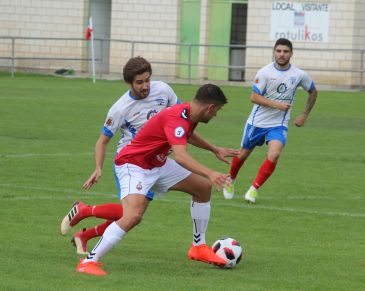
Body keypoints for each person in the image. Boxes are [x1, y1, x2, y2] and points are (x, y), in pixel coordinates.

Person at [75, 84, 239, 276]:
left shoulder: (188, 114)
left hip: (157, 164)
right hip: (133, 165)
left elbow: (187, 134)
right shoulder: (177, 117)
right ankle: (88, 261)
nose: (215, 115)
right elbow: (181, 156)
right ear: (209, 108)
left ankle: (198, 247)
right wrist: (210, 172)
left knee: (202, 188)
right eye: (217, 111)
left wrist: (214, 149)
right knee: (133, 216)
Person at [60, 56, 181, 254]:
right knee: (131, 214)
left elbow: (179, 115)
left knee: (134, 217)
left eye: (147, 80)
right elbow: (102, 141)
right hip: (131, 161)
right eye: (139, 82)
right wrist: (98, 168)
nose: (145, 86)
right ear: (129, 83)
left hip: (153, 162)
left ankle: (84, 235)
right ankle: (84, 210)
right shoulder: (120, 109)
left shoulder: (164, 90)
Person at [223, 38, 318, 203]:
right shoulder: (265, 72)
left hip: (278, 124)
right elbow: (254, 97)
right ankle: (230, 179)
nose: (282, 54)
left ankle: (253, 190)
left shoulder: (299, 74)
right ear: (274, 52)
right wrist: (277, 104)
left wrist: (304, 114)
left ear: (291, 53)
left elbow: (313, 91)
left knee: (274, 155)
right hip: (257, 123)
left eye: (285, 51)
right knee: (243, 154)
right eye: (279, 51)